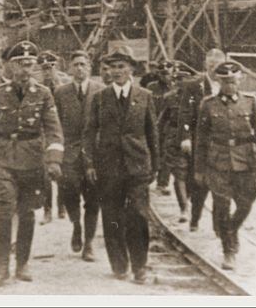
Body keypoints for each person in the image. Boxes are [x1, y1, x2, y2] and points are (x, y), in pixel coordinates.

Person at [0, 40, 64, 286]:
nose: (26, 70)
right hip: (2, 159)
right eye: (20, 65)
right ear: (11, 67)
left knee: (26, 214)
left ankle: (22, 263)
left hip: (32, 161)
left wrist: (54, 160)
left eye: (30, 65)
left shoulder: (44, 95)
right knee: (4, 212)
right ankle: (2, 266)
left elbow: (54, 130)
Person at [83, 45, 159, 284]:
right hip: (108, 166)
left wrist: (155, 166)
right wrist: (90, 164)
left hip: (137, 165)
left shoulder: (144, 96)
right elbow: (89, 132)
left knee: (138, 214)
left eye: (121, 67)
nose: (115, 71)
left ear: (131, 69)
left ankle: (140, 267)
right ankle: (119, 264)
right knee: (112, 216)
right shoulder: (99, 98)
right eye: (112, 67)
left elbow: (152, 132)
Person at [194, 61, 256, 270]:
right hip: (218, 163)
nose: (229, 85)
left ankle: (231, 230)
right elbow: (201, 138)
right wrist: (198, 169)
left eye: (233, 81)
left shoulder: (250, 103)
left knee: (246, 204)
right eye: (225, 82)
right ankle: (229, 251)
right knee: (223, 207)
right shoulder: (208, 105)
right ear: (218, 81)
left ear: (239, 80)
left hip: (245, 162)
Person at [54, 50, 104, 262]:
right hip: (69, 152)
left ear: (90, 68)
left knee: (93, 199)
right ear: (70, 69)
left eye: (83, 64)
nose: (79, 68)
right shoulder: (60, 92)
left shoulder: (101, 91)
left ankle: (89, 243)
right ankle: (76, 225)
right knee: (69, 191)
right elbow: (54, 124)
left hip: (94, 153)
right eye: (75, 65)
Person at [178, 48, 226, 232]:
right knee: (200, 182)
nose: (215, 69)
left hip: (221, 143)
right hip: (201, 142)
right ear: (206, 65)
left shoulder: (226, 84)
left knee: (221, 186)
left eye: (218, 65)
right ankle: (195, 217)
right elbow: (185, 113)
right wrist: (185, 137)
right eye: (211, 65)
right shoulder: (194, 85)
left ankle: (217, 225)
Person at [157, 61, 193, 223]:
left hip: (195, 139)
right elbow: (162, 121)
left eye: (184, 80)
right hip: (173, 139)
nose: (180, 83)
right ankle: (184, 208)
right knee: (179, 174)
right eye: (177, 80)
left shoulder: (199, 98)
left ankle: (189, 200)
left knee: (192, 175)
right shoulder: (169, 98)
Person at [36, 50, 68, 224]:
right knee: (45, 173)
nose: (48, 71)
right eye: (45, 68)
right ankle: (47, 210)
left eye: (51, 67)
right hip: (44, 133)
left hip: (62, 132)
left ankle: (61, 206)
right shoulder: (38, 87)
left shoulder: (64, 85)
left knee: (61, 172)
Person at [146, 61, 174, 195]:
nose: (165, 76)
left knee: (167, 154)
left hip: (167, 127)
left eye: (167, 73)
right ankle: (149, 178)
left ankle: (162, 183)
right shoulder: (151, 87)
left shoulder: (175, 88)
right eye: (162, 73)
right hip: (152, 125)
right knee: (151, 152)